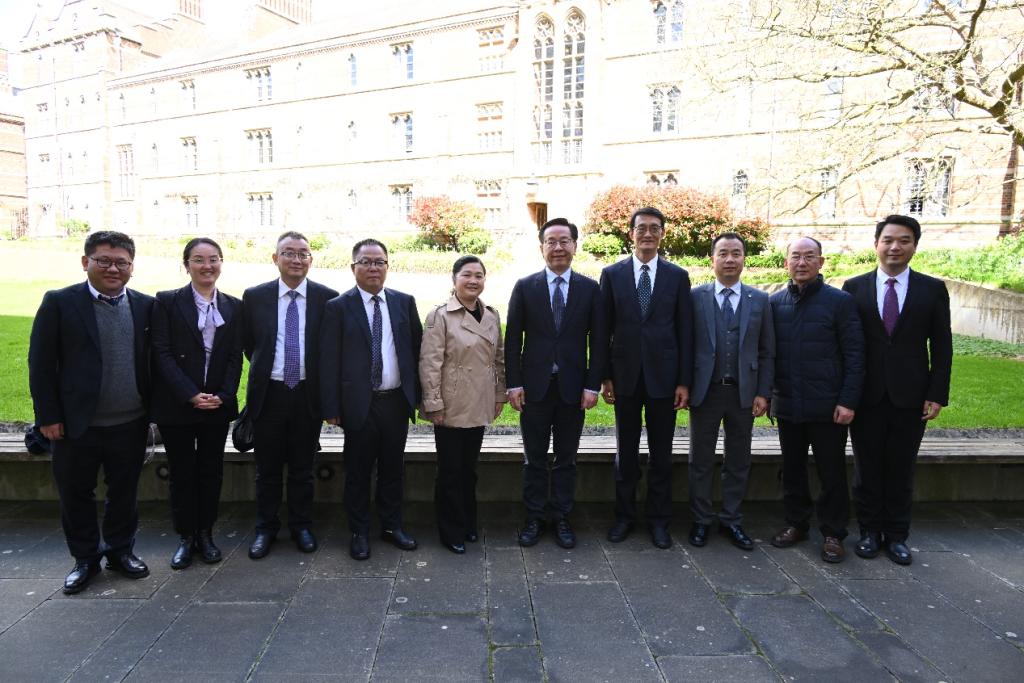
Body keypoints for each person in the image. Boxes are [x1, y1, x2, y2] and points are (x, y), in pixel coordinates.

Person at [28, 231, 154, 594]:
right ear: (86, 262)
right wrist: (48, 416)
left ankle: (120, 551)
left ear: (132, 267)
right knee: (75, 494)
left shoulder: (146, 305)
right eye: (104, 261)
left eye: (121, 262)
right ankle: (85, 559)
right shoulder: (60, 302)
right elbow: (40, 363)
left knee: (124, 492)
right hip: (74, 424)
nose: (113, 269)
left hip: (130, 421)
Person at [842, 215, 952, 566]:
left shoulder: (931, 289)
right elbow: (847, 346)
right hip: (867, 395)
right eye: (888, 240)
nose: (895, 247)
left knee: (902, 469)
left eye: (904, 240)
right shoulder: (854, 288)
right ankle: (869, 532)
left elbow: (943, 346)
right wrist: (846, 394)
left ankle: (897, 536)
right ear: (876, 244)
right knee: (867, 468)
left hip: (912, 396)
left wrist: (937, 393)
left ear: (914, 246)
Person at [505, 218, 607, 549]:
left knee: (566, 458)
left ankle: (561, 516)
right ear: (542, 248)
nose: (558, 247)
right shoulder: (525, 287)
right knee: (534, 458)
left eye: (565, 241)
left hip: (573, 390)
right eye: (551, 241)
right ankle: (535, 517)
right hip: (534, 388)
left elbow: (599, 341)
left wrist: (592, 385)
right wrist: (514, 384)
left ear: (575, 246)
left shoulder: (590, 289)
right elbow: (512, 339)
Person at [321, 239, 423, 561]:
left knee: (393, 469)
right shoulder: (338, 307)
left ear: (387, 266)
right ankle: (359, 531)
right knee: (358, 471)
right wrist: (331, 407)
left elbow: (416, 350)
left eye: (379, 262)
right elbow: (329, 360)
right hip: (358, 404)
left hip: (395, 402)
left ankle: (392, 526)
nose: (373, 268)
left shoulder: (404, 302)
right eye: (365, 262)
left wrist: (417, 397)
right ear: (353, 267)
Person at [600, 207, 694, 549]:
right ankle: (624, 517)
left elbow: (685, 331)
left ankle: (659, 521)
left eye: (655, 228)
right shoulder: (612, 274)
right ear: (631, 233)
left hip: (664, 379)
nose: (648, 234)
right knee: (626, 453)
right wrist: (605, 376)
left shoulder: (677, 276)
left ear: (663, 234)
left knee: (661, 454)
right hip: (624, 377)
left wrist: (683, 381)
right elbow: (603, 329)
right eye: (642, 228)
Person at [242, 231, 338, 559]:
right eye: (288, 253)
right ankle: (265, 528)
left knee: (302, 467)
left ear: (311, 259)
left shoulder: (327, 298)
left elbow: (329, 349)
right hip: (269, 394)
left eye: (303, 254)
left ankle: (301, 526)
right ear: (275, 258)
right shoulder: (255, 297)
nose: (296, 260)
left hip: (307, 395)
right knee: (267, 469)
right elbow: (250, 345)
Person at [769, 236, 864, 564]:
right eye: (795, 256)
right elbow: (769, 355)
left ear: (821, 262)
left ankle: (834, 533)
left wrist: (848, 400)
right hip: (789, 405)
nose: (802, 262)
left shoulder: (840, 302)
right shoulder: (775, 303)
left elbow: (855, 354)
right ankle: (796, 523)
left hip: (828, 407)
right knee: (792, 469)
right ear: (786, 263)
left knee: (831, 472)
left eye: (809, 256)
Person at [151, 237, 243, 569]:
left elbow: (234, 357)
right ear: (186, 264)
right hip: (177, 404)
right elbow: (161, 353)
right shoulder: (167, 302)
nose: (207, 266)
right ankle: (186, 537)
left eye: (213, 259)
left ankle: (206, 533)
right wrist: (189, 393)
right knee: (182, 473)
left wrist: (225, 395)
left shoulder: (233, 306)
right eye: (199, 259)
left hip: (216, 405)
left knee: (210, 472)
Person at [687, 233, 775, 551]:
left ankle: (731, 519)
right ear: (712, 259)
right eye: (723, 253)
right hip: (706, 392)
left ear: (744, 259)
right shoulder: (695, 297)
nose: (729, 259)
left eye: (736, 253)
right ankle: (701, 519)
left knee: (738, 458)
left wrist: (763, 392)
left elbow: (767, 351)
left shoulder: (759, 300)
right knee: (700, 459)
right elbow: (686, 346)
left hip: (743, 393)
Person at [420, 256, 506, 554]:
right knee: (450, 471)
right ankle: (450, 530)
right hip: (451, 404)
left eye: (479, 275)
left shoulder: (491, 315)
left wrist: (499, 394)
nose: (473, 280)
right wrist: (433, 403)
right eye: (467, 275)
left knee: (469, 469)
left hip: (479, 401)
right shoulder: (440, 316)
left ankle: (468, 521)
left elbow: (499, 359)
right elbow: (430, 363)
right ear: (454, 279)